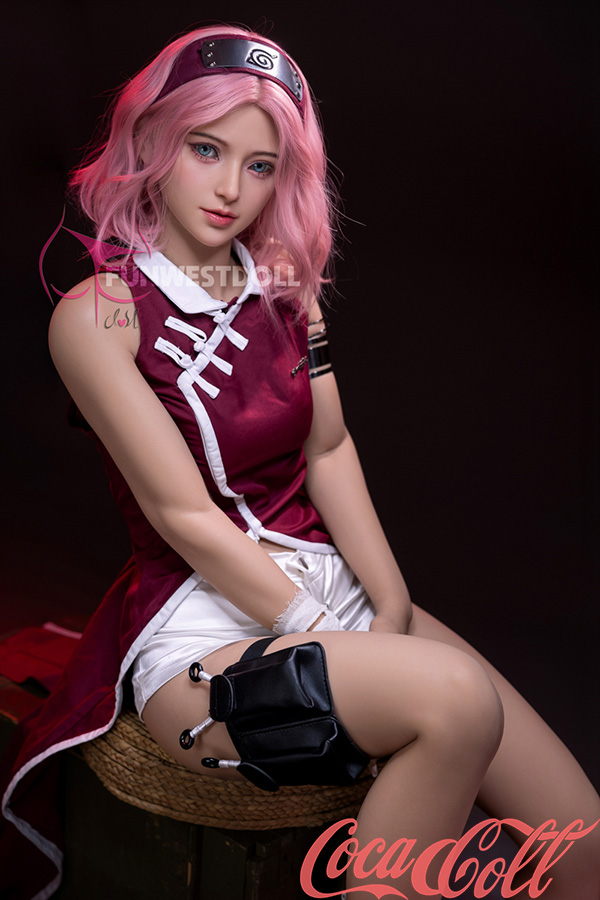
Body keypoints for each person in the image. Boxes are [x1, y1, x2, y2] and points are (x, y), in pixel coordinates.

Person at [3, 23, 599, 900]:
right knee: (459, 703)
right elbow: (184, 515)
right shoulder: (102, 313)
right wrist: (316, 623)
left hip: (322, 579)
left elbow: (329, 445)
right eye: (206, 149)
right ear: (155, 139)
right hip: (200, 624)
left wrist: (387, 601)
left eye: (260, 165)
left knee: (583, 844)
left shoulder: (283, 286)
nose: (230, 189)